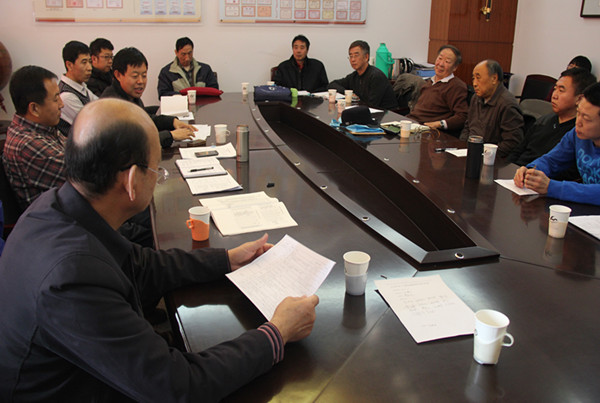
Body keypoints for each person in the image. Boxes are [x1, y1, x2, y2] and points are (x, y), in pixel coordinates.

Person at [0, 98, 319, 401]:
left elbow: (140, 264)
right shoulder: (72, 278)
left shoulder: (57, 206)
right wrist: (277, 332)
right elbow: (179, 387)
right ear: (130, 181)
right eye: (156, 169)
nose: (158, 178)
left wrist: (227, 259)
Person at [513, 82, 600, 206]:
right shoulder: (576, 135)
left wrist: (552, 187)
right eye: (578, 113)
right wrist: (531, 171)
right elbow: (552, 160)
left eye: (586, 118)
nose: (578, 122)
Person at [102, 47, 195, 147]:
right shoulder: (112, 105)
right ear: (118, 75)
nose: (140, 81)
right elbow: (133, 142)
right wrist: (171, 135)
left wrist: (172, 122)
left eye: (144, 75)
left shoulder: (129, 95)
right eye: (135, 76)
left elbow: (145, 119)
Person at [507, 68, 597, 173]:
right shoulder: (544, 120)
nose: (554, 95)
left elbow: (566, 172)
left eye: (561, 90)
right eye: (555, 89)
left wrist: (541, 178)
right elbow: (520, 151)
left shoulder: (580, 132)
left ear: (579, 99)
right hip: (522, 173)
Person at [2, 66, 66, 211]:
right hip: (57, 219)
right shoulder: (28, 144)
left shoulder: (42, 128)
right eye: (56, 99)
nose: (61, 104)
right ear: (34, 109)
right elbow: (86, 176)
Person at [460, 59, 524, 158]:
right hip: (468, 153)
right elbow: (468, 127)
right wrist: (461, 146)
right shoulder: (476, 98)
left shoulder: (507, 104)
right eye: (473, 78)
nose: (474, 83)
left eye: (478, 78)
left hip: (491, 159)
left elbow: (512, 143)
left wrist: (484, 154)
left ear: (494, 78)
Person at [407, 44, 468, 136]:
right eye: (440, 58)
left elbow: (462, 116)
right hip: (411, 124)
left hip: (426, 131)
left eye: (447, 61)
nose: (441, 64)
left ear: (455, 67)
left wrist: (440, 124)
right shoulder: (429, 82)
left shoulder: (456, 86)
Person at [328, 40, 398, 110]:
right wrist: (348, 93)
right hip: (365, 111)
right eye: (350, 56)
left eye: (356, 55)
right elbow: (332, 84)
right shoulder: (354, 76)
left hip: (387, 114)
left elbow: (372, 105)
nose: (352, 59)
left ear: (366, 57)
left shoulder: (376, 76)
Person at [57, 40, 98, 136]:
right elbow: (93, 124)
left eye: (90, 62)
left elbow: (101, 105)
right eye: (84, 62)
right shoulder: (66, 96)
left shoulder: (81, 86)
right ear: (69, 65)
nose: (90, 68)